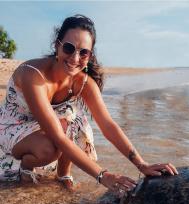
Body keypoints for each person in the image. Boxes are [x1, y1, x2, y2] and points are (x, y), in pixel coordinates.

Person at [0, 14, 178, 193]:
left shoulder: (83, 82)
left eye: (83, 52)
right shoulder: (34, 76)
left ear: (90, 55)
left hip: (46, 123)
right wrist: (103, 175)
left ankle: (63, 174)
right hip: (14, 125)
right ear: (57, 46)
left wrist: (142, 164)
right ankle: (26, 166)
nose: (75, 59)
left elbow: (108, 125)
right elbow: (59, 138)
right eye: (69, 48)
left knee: (77, 122)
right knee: (49, 149)